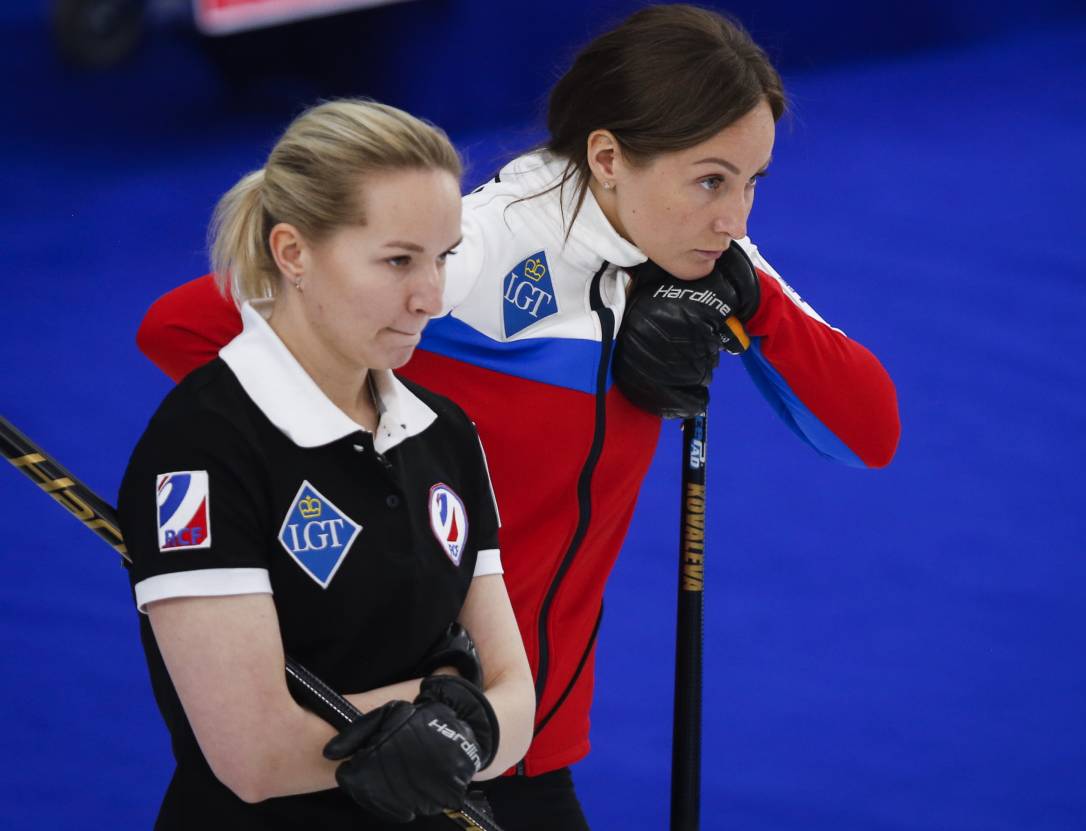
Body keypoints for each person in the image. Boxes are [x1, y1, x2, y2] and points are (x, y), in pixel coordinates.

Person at [134, 5, 901, 828]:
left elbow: (869, 430)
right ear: (607, 157)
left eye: (753, 183)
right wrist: (377, 447)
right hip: (388, 732)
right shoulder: (479, 248)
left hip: (525, 736)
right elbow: (180, 330)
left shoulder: (707, 256)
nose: (737, 217)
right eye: (712, 179)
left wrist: (748, 304)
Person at [118, 99, 534, 829]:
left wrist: (430, 725)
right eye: (399, 259)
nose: (430, 297)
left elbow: (519, 704)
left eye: (443, 257)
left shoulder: (445, 431)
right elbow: (254, 756)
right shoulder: (200, 449)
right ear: (293, 252)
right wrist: (447, 708)